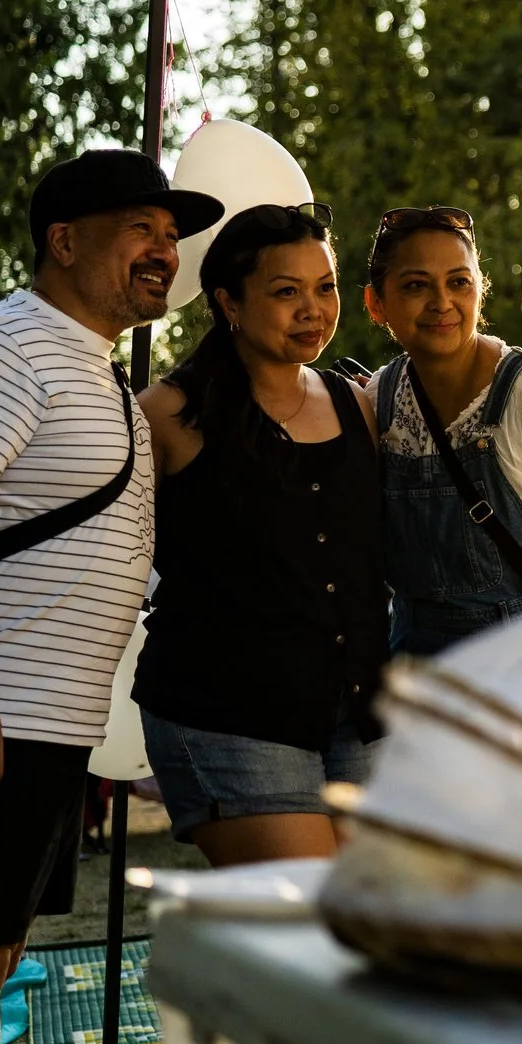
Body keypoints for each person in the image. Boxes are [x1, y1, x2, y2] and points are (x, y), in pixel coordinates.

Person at [0, 151, 219, 1044]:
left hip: (37, 726)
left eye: (170, 234)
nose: (165, 250)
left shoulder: (95, 368)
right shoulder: (3, 342)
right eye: (140, 229)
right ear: (63, 242)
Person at [133, 204, 386, 868]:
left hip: (359, 717)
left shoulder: (357, 403)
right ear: (229, 303)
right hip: (227, 716)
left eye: (324, 286)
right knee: (307, 934)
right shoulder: (167, 414)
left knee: (375, 934)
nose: (313, 308)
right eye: (285, 291)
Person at [363, 207, 522, 694]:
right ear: (377, 304)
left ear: (480, 290)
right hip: (418, 692)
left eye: (459, 282)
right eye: (417, 286)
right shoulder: (379, 400)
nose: (442, 302)